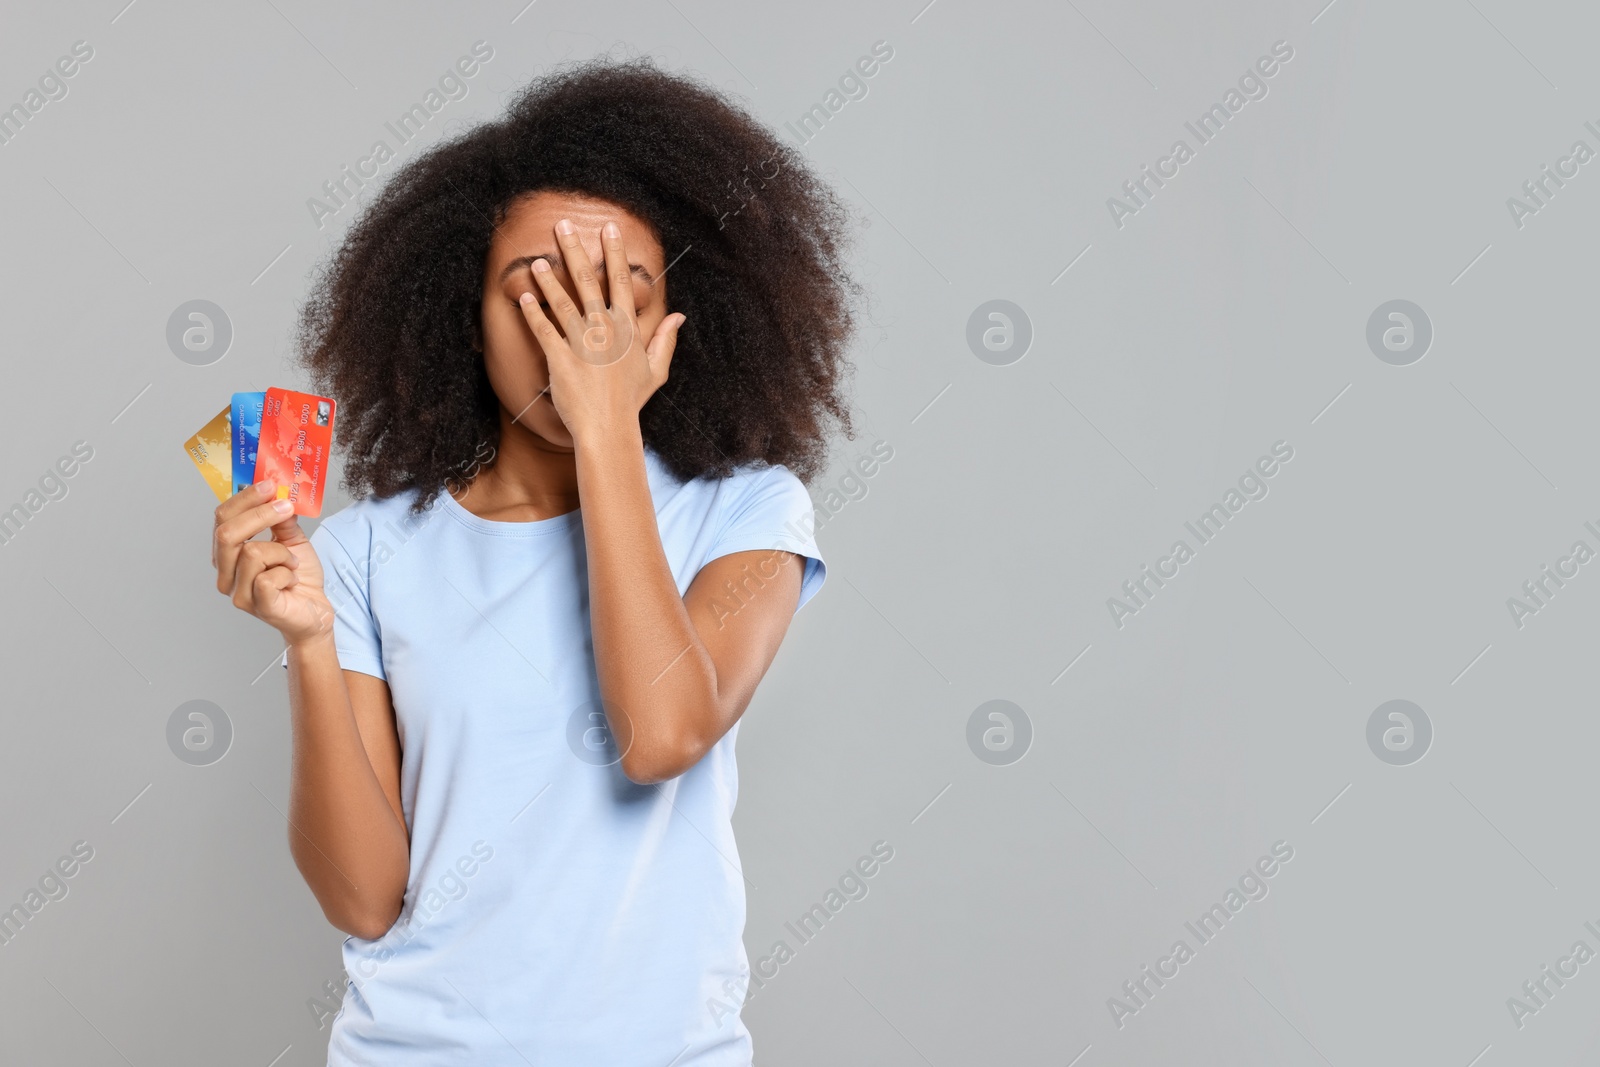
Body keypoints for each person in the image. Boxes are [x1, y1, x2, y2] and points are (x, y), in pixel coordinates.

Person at [209, 55, 861, 1065]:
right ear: (461, 319)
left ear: (676, 328)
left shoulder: (747, 510)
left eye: (620, 294)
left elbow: (661, 733)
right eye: (537, 294)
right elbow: (363, 897)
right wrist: (306, 642)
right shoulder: (364, 551)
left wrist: (604, 429)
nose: (581, 334)